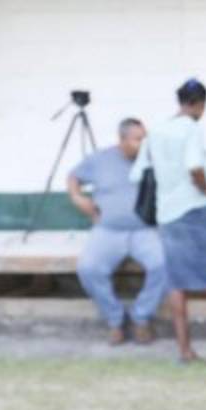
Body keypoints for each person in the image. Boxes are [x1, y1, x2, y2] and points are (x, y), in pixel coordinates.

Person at [130, 78, 206, 366]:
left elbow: (138, 174)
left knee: (177, 285)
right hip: (193, 212)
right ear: (200, 103)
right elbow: (194, 167)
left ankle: (184, 352)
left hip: (166, 215)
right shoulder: (191, 129)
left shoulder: (156, 131)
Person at [67, 118, 167, 345]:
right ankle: (115, 319)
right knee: (88, 268)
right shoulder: (100, 160)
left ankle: (141, 318)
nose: (143, 144)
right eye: (137, 139)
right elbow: (73, 177)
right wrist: (77, 197)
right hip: (108, 230)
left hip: (145, 231)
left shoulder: (154, 160)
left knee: (165, 264)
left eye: (145, 138)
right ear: (122, 140)